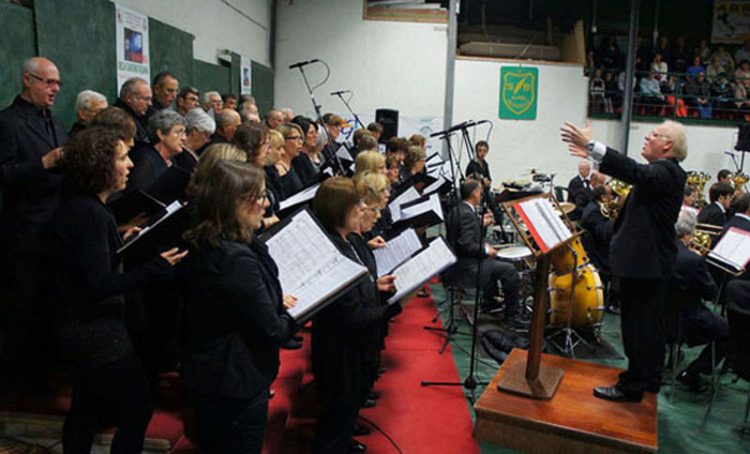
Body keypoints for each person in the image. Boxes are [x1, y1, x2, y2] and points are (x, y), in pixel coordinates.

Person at [54, 127, 186, 453]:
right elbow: (98, 284)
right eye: (123, 157)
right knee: (137, 406)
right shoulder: (91, 214)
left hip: (82, 328)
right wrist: (154, 269)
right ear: (100, 164)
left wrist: (123, 244)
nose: (129, 165)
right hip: (96, 332)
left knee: (85, 409)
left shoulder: (85, 206)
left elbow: (89, 267)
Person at [561, 119, 687, 403]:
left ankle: (633, 385)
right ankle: (648, 379)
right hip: (647, 263)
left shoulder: (665, 171)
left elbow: (633, 171)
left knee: (637, 327)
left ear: (667, 145)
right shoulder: (664, 173)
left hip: (646, 265)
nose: (646, 137)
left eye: (654, 134)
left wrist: (592, 147)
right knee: (647, 325)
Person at [179, 160, 297, 453]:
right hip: (233, 379)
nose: (265, 204)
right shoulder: (235, 258)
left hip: (213, 373)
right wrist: (297, 312)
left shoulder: (213, 239)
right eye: (257, 197)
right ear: (232, 203)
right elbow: (271, 330)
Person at [311, 176, 406, 453]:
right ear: (339, 209)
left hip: (351, 347)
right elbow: (352, 319)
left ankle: (343, 437)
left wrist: (374, 286)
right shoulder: (334, 252)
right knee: (338, 410)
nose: (362, 210)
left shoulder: (349, 239)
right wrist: (394, 306)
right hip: (340, 352)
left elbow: (357, 283)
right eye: (357, 205)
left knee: (347, 407)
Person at [0, 56, 67, 393]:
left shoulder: (54, 121)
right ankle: (18, 384)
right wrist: (43, 162)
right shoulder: (8, 122)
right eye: (48, 82)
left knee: (49, 308)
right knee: (23, 310)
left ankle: (45, 374)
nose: (55, 89)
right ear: (28, 80)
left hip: (55, 229)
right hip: (24, 235)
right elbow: (4, 174)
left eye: (57, 83)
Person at [668, 211, 728, 392]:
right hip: (687, 319)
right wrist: (700, 260)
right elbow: (711, 293)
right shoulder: (693, 260)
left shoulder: (659, 249)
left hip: (658, 314)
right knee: (729, 331)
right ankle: (693, 373)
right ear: (687, 235)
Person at [447, 179, 522, 322]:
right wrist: (486, 250)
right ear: (474, 193)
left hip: (459, 262)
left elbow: (463, 233)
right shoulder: (466, 215)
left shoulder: (458, 209)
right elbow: (466, 245)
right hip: (468, 268)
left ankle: (490, 301)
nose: (482, 196)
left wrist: (479, 222)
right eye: (480, 192)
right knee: (510, 270)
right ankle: (512, 314)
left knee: (497, 261)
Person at [126, 109, 186, 193]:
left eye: (184, 133)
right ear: (161, 134)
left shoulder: (171, 160)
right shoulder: (144, 162)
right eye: (178, 132)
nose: (184, 138)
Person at [580, 184, 614, 283]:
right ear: (603, 197)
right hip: (599, 259)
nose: (612, 198)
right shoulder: (594, 211)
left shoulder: (593, 206)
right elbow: (604, 234)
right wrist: (617, 218)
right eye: (611, 195)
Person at [114, 77, 152, 143]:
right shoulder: (118, 118)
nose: (150, 104)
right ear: (128, 97)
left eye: (150, 99)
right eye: (145, 99)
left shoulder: (141, 115)